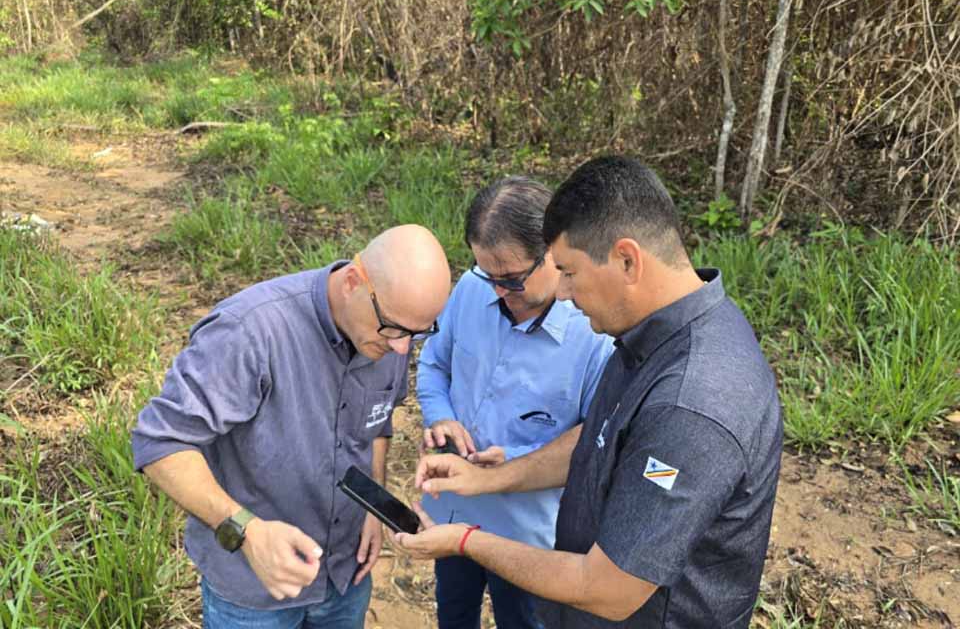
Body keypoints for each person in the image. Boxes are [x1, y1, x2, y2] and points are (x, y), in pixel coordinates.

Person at [394, 157, 783, 629]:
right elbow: (596, 440)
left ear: (626, 260)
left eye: (571, 272)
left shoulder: (691, 405)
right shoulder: (645, 336)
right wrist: (486, 480)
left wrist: (465, 542)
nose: (562, 294)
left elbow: (608, 590)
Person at [131, 225, 451, 629]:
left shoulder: (389, 330)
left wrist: (374, 503)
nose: (403, 348)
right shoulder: (249, 331)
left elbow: (377, 418)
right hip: (254, 593)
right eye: (395, 329)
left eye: (418, 334)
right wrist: (246, 531)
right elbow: (160, 442)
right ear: (354, 282)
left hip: (344, 574)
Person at [416, 176, 614, 629]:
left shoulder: (594, 333)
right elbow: (433, 365)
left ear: (555, 254)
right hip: (456, 514)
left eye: (513, 280)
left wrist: (518, 461)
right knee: (455, 613)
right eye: (489, 277)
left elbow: (596, 439)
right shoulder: (472, 288)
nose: (499, 292)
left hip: (532, 537)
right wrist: (441, 415)